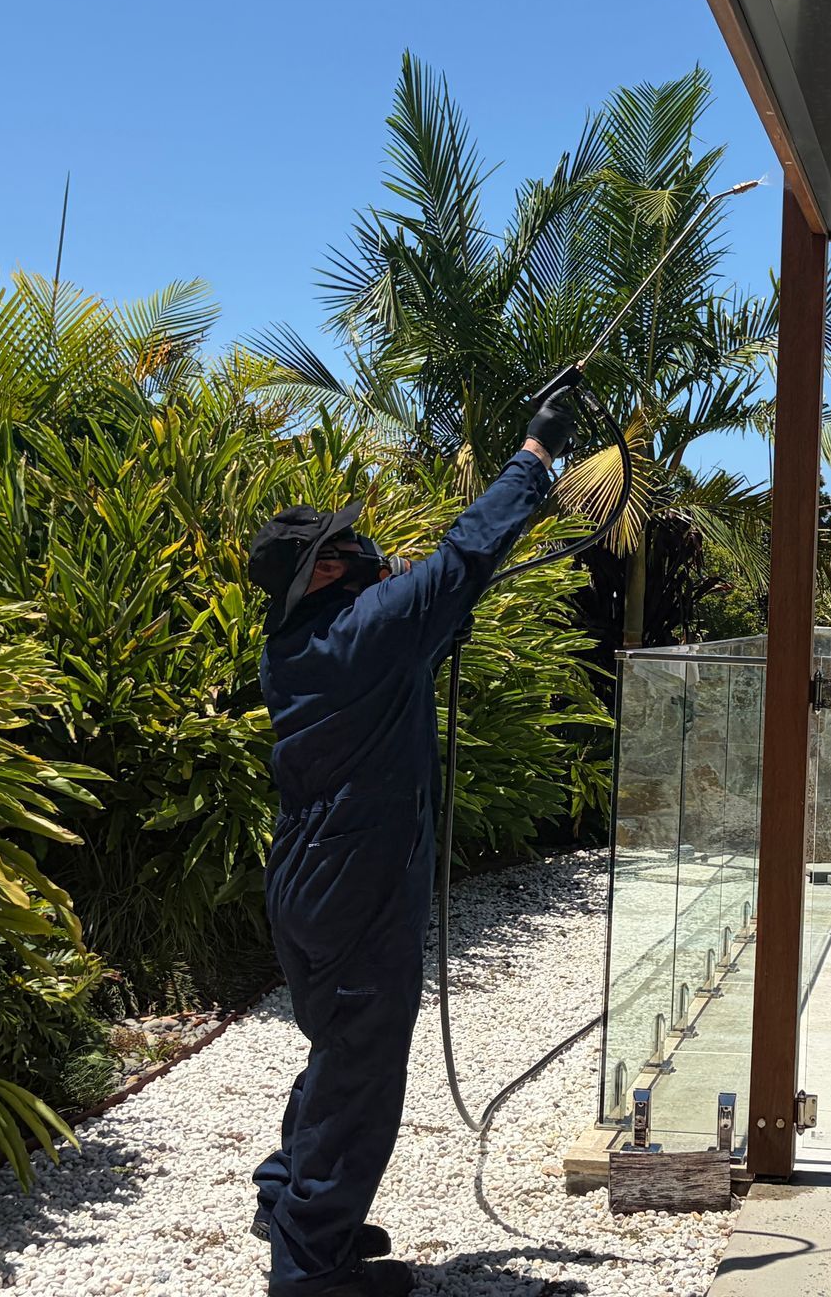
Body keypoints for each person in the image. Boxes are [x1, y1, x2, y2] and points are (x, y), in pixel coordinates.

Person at [244, 392, 578, 1297]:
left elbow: (403, 641)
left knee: (336, 1048)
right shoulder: (364, 631)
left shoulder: (305, 645)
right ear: (316, 577)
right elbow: (468, 552)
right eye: (340, 552)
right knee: (361, 1066)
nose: (359, 554)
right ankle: (311, 1264)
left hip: (310, 881)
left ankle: (293, 1199)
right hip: (354, 884)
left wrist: (430, 635)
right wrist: (536, 451)